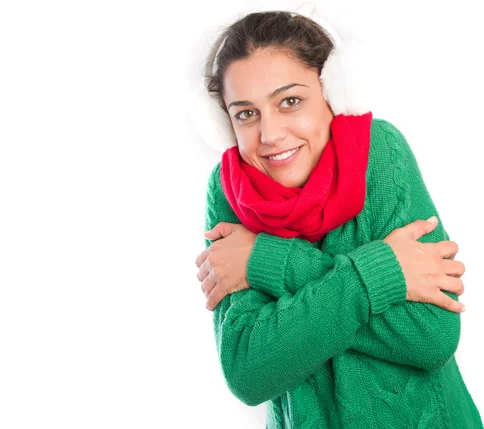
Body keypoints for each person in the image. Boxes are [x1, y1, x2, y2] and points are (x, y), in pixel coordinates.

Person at [192, 11, 483, 429]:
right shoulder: (230, 190)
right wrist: (384, 273)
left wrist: (267, 260)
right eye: (246, 114)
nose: (270, 134)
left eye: (289, 101)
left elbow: (432, 334)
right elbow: (249, 373)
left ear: (333, 93)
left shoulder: (377, 152)